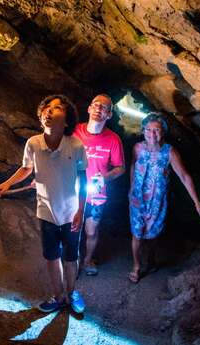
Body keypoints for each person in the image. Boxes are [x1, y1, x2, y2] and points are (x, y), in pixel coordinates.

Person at [0, 95, 88, 313]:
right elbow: (26, 168)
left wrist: (81, 210)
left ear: (67, 121)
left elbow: (83, 178)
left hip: (71, 212)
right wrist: (5, 185)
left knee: (70, 257)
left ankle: (72, 293)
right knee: (51, 257)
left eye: (57, 107)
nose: (49, 110)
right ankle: (58, 296)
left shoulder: (75, 146)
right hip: (46, 213)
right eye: (46, 107)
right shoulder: (33, 143)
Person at [128, 112, 200, 283]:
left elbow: (184, 176)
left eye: (156, 130)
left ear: (163, 132)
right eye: (148, 130)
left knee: (153, 236)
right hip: (138, 200)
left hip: (158, 202)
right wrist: (130, 189)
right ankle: (136, 266)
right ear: (143, 131)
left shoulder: (170, 152)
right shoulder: (137, 148)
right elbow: (133, 167)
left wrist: (197, 203)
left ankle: (150, 259)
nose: (152, 134)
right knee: (137, 234)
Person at [73, 94, 125, 276]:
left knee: (91, 230)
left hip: (96, 194)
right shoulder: (74, 132)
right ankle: (72, 261)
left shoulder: (113, 139)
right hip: (72, 191)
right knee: (72, 228)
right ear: (88, 108)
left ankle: (88, 261)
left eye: (104, 107)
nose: (98, 109)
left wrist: (105, 177)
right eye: (95, 105)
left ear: (109, 115)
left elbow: (120, 168)